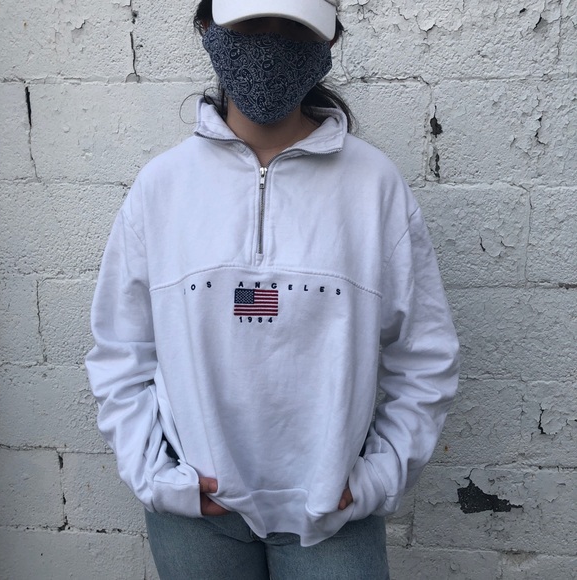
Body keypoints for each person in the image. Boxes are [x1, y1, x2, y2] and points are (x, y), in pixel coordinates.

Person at [85, 0, 460, 578]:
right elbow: (120, 351)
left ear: (328, 42)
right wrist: (157, 476)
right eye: (251, 24)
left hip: (332, 516)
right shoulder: (162, 188)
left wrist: (379, 476)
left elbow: (424, 355)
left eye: (292, 27)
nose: (269, 45)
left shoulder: (374, 186)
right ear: (208, 29)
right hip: (195, 514)